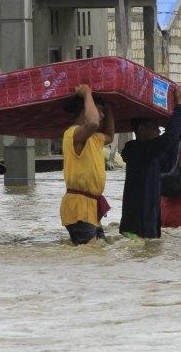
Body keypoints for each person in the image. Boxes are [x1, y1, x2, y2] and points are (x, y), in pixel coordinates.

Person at [120, 85, 181, 239]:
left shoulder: (151, 155)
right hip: (135, 227)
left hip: (150, 225)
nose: (158, 132)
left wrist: (177, 138)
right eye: (154, 128)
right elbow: (167, 139)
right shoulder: (138, 150)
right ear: (142, 129)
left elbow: (168, 164)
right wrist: (180, 107)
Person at [60, 84, 115, 245]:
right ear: (86, 110)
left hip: (91, 206)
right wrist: (87, 94)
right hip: (78, 207)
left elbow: (110, 136)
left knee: (99, 252)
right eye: (100, 111)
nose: (103, 116)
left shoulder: (95, 138)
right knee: (91, 254)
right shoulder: (73, 134)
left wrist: (109, 106)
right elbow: (93, 123)